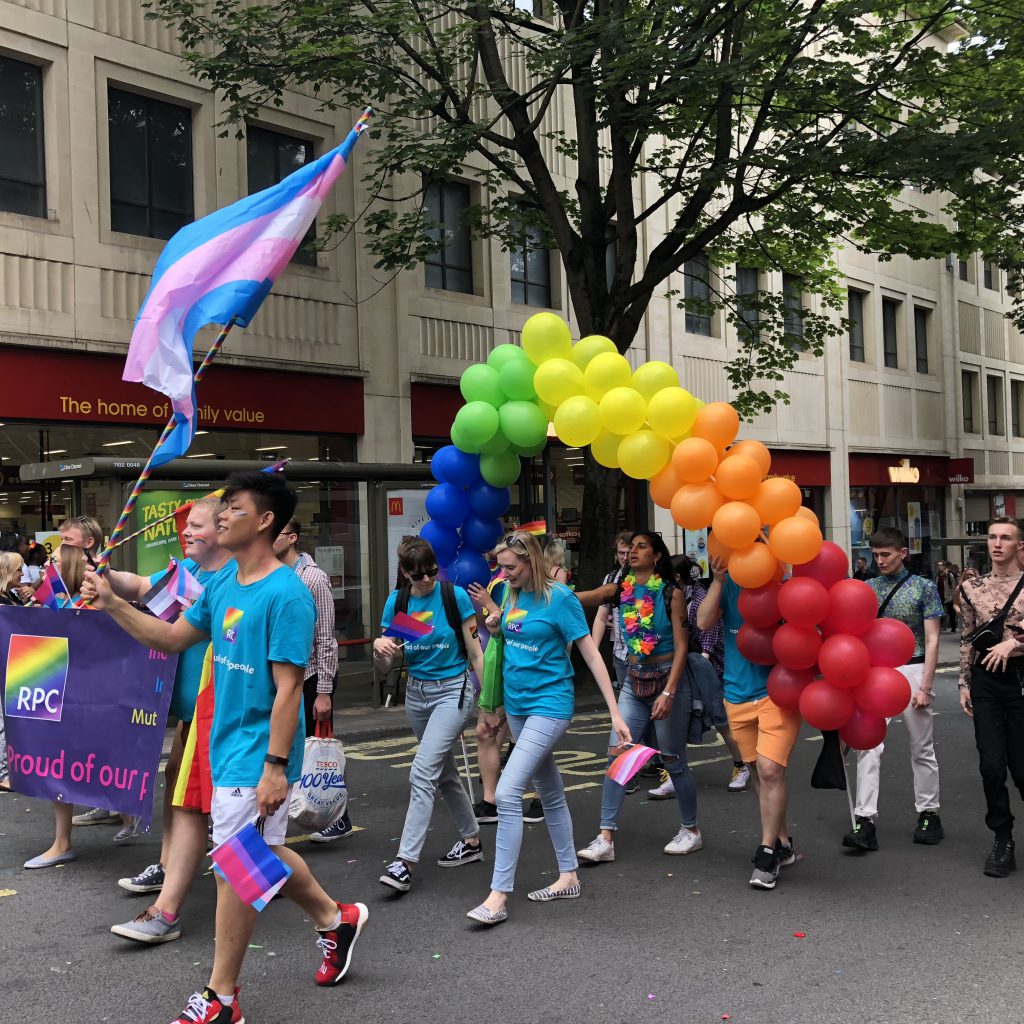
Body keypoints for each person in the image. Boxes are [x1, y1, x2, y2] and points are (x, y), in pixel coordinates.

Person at [82, 471, 368, 1024]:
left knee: (235, 867)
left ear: (265, 522)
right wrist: (115, 604)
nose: (220, 519)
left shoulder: (287, 594)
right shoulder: (221, 584)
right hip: (222, 743)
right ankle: (337, 919)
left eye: (232, 509)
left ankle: (221, 998)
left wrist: (276, 769)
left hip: (258, 752)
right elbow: (169, 637)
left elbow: (290, 689)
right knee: (252, 858)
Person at [466, 531, 630, 925]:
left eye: (511, 568)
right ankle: (569, 875)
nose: (504, 576)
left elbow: (592, 656)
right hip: (519, 708)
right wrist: (496, 620)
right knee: (551, 792)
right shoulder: (510, 593)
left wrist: (616, 713)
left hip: (550, 707)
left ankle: (498, 896)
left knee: (506, 793)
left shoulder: (561, 599)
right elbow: (512, 635)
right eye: (501, 568)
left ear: (532, 562)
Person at [106, 497, 235, 944]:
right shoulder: (194, 576)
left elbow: (288, 676)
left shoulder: (243, 583)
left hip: (230, 720)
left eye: (196, 525)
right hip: (195, 715)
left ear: (224, 529)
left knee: (210, 812)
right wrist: (106, 580)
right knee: (187, 797)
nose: (186, 532)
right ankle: (172, 890)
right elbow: (144, 589)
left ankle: (322, 911)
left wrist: (277, 757)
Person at [573, 532, 703, 865]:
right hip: (633, 681)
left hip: (667, 682)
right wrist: (550, 594)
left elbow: (682, 646)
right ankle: (606, 837)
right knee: (618, 755)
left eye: (641, 547)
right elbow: (587, 597)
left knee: (673, 759)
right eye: (631, 547)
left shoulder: (671, 594)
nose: (632, 551)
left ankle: (691, 830)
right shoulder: (620, 590)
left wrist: (671, 692)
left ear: (657, 556)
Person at [372, 536, 485, 894]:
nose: (427, 580)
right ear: (405, 573)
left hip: (454, 690)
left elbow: (476, 652)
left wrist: (487, 704)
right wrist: (380, 648)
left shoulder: (455, 597)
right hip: (417, 694)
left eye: (432, 572)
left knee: (422, 770)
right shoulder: (399, 602)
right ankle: (471, 842)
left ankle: (404, 862)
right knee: (444, 772)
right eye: (419, 574)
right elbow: (386, 664)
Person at [697, 554, 800, 889]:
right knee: (758, 772)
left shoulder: (782, 583)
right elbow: (702, 622)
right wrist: (717, 580)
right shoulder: (728, 582)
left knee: (771, 769)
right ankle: (783, 843)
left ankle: (767, 851)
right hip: (736, 694)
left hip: (777, 692)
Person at [842, 528, 944, 853]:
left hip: (913, 669)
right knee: (867, 746)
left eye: (886, 554)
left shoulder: (924, 587)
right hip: (876, 673)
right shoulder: (866, 588)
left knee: (921, 748)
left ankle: (929, 813)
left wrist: (926, 685)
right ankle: (864, 820)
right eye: (875, 554)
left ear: (903, 553)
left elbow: (932, 639)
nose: (879, 560)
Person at [273, 519, 353, 844]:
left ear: (292, 538)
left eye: (275, 533)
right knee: (287, 748)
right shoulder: (273, 574)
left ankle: (337, 815)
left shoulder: (313, 578)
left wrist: (323, 691)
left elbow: (325, 637)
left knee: (318, 752)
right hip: (282, 678)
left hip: (310, 678)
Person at [649, 555, 749, 798]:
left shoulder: (701, 598)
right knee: (676, 721)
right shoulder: (671, 597)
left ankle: (742, 765)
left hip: (707, 668)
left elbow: (709, 636)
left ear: (677, 578)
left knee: (721, 719)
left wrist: (697, 661)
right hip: (683, 666)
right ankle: (673, 774)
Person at [957, 516, 1024, 878]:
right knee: (991, 765)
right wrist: (964, 683)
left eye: (1006, 538)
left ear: (1018, 546)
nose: (998, 544)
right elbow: (967, 637)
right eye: (993, 537)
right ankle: (1002, 839)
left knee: (1022, 769)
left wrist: (1015, 642)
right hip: (986, 683)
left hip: (1021, 681)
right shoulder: (972, 588)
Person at [23, 544, 90, 868]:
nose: (50, 565)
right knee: (59, 764)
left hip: (88, 698)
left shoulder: (92, 603)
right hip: (56, 692)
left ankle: (125, 816)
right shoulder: (49, 599)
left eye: (57, 561)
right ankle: (62, 841)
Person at [467, 542, 512, 823]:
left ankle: (545, 799)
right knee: (486, 731)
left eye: (510, 564)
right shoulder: (497, 581)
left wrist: (489, 604)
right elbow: (491, 627)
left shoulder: (536, 589)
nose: (503, 568)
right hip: (498, 666)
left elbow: (522, 627)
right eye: (501, 563)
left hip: (524, 671)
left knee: (526, 739)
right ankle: (490, 801)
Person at [935, 560, 959, 632]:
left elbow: (953, 586)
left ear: (944, 566)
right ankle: (940, 627)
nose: (939, 567)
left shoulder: (949, 575)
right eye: (938, 565)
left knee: (951, 612)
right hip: (939, 596)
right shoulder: (937, 575)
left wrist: (952, 596)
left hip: (948, 596)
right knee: (939, 613)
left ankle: (953, 627)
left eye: (941, 565)